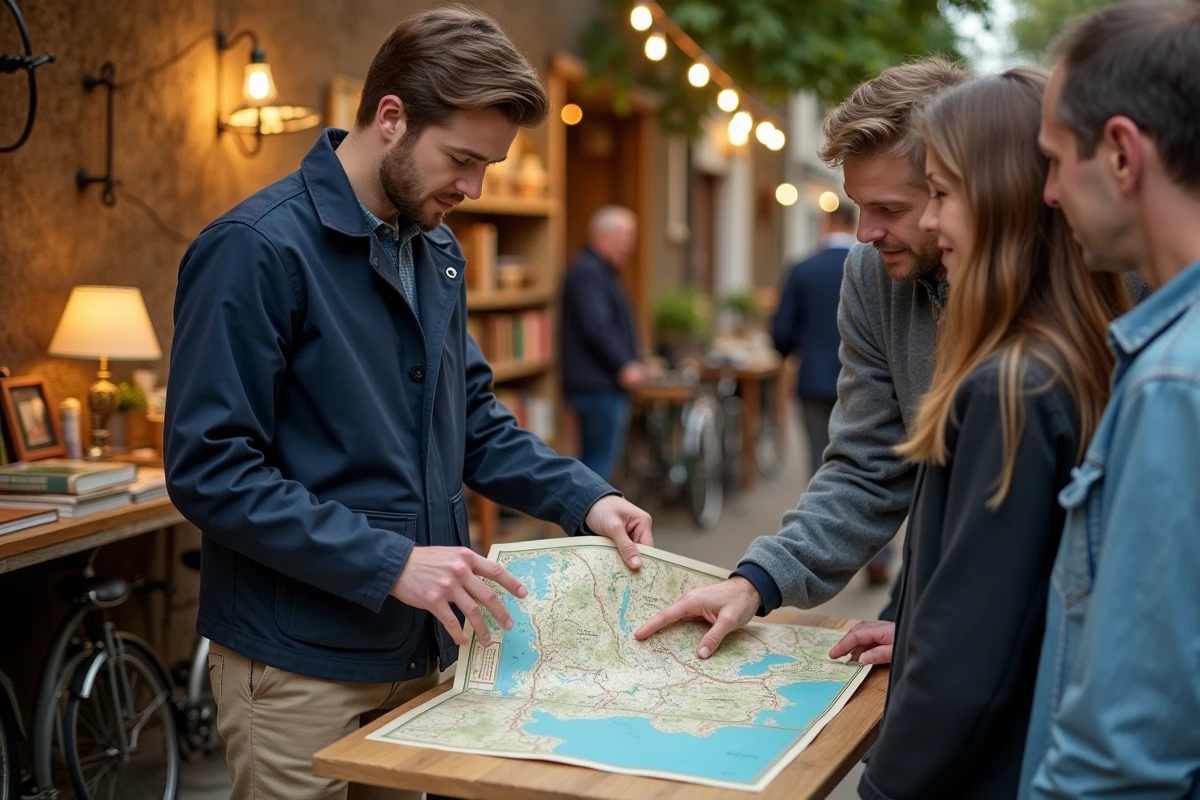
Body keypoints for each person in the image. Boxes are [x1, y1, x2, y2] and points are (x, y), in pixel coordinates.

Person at [164, 8, 653, 799]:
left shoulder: (435, 249)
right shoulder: (254, 249)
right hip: (297, 668)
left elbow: (474, 423)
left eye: (488, 165)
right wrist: (389, 563)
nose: (474, 188)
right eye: (461, 159)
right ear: (390, 116)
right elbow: (210, 471)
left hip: (419, 656)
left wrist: (586, 497)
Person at [635, 56, 1151, 655]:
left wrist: (956, 638)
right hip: (945, 597)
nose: (863, 233)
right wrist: (756, 581)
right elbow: (867, 464)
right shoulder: (870, 274)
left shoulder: (1115, 274)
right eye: (858, 205)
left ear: (965, 187)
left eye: (891, 209)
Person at [836, 66, 1129, 800]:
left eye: (938, 194)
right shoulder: (1080, 351)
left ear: (1006, 199)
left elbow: (971, 651)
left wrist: (884, 787)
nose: (931, 223)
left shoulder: (1008, 387)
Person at [1021, 2, 1200, 796]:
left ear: (1123, 154)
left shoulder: (1173, 384)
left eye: (1056, 161)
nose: (1050, 193)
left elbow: (1120, 761)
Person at [771, 203, 894, 586]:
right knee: (875, 460)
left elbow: (781, 334)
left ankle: (821, 554)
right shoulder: (882, 265)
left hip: (814, 379)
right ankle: (878, 555)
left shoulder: (803, 269)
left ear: (826, 223)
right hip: (873, 382)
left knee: (822, 463)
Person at [560, 205, 645, 482]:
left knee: (596, 460)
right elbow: (596, 325)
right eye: (625, 237)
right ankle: (592, 511)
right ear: (603, 236)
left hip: (597, 384)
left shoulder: (598, 271)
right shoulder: (588, 272)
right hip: (598, 385)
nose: (630, 246)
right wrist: (624, 364)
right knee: (598, 464)